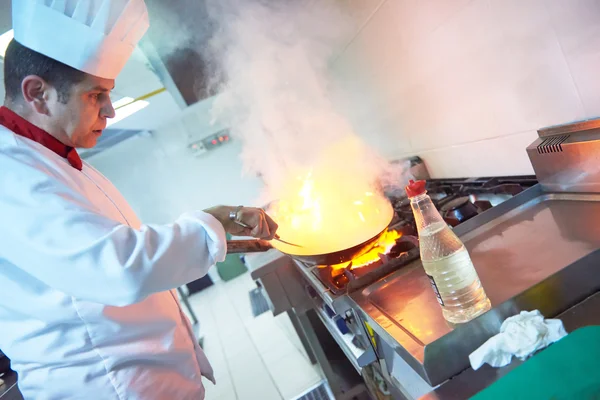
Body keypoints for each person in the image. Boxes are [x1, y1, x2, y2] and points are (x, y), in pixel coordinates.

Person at [0, 1, 278, 399]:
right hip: (107, 387)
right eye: (97, 95)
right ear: (37, 93)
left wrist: (220, 240)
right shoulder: (8, 172)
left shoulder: (56, 160)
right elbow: (117, 266)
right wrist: (214, 223)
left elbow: (111, 251)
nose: (110, 111)